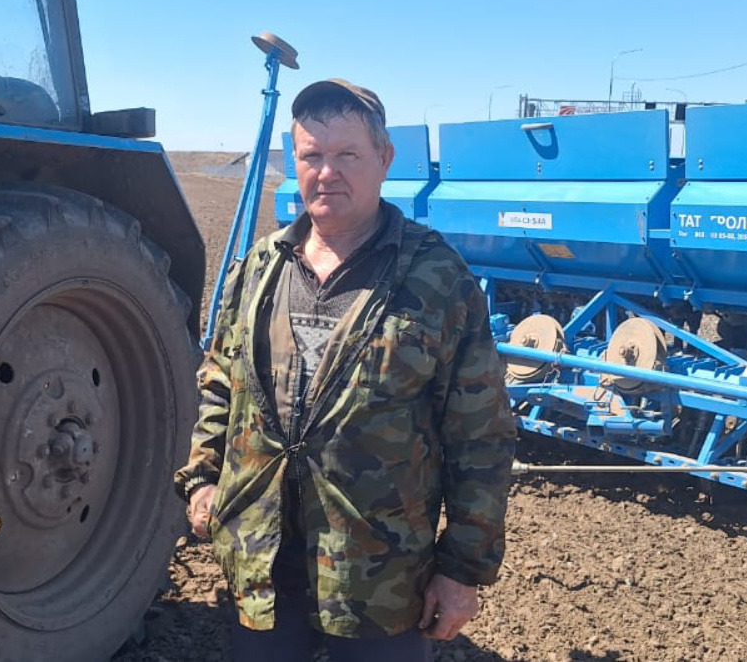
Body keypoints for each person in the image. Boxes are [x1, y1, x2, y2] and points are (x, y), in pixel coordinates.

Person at [174, 78, 516, 661]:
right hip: (262, 562)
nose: (327, 172)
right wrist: (203, 476)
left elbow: (480, 436)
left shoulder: (437, 278)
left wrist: (462, 570)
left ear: (384, 159)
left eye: (348, 155)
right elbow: (221, 381)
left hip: (380, 577)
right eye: (312, 156)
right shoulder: (260, 266)